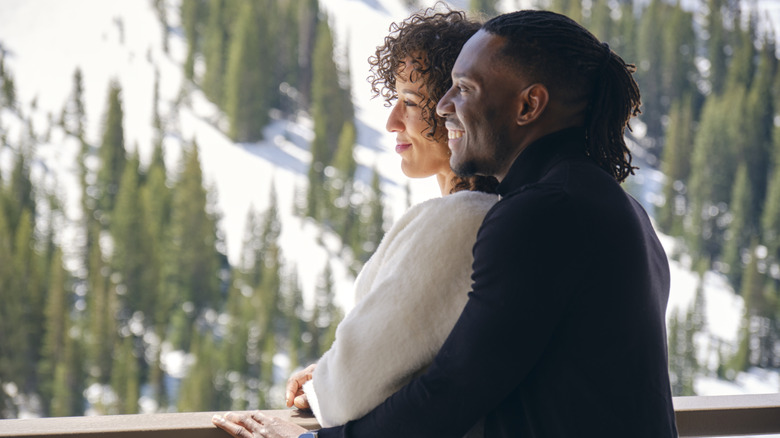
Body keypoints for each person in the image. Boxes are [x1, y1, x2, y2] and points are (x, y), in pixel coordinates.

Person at [213, 9, 679, 438]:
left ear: (528, 105)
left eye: (466, 89)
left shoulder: (540, 215)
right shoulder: (614, 207)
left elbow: (455, 389)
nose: (443, 105)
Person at [212, 7, 498, 438]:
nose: (391, 122)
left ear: (455, 110)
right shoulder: (498, 210)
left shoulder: (461, 220)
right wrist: (331, 378)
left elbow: (350, 394)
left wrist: (329, 387)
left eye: (411, 103)